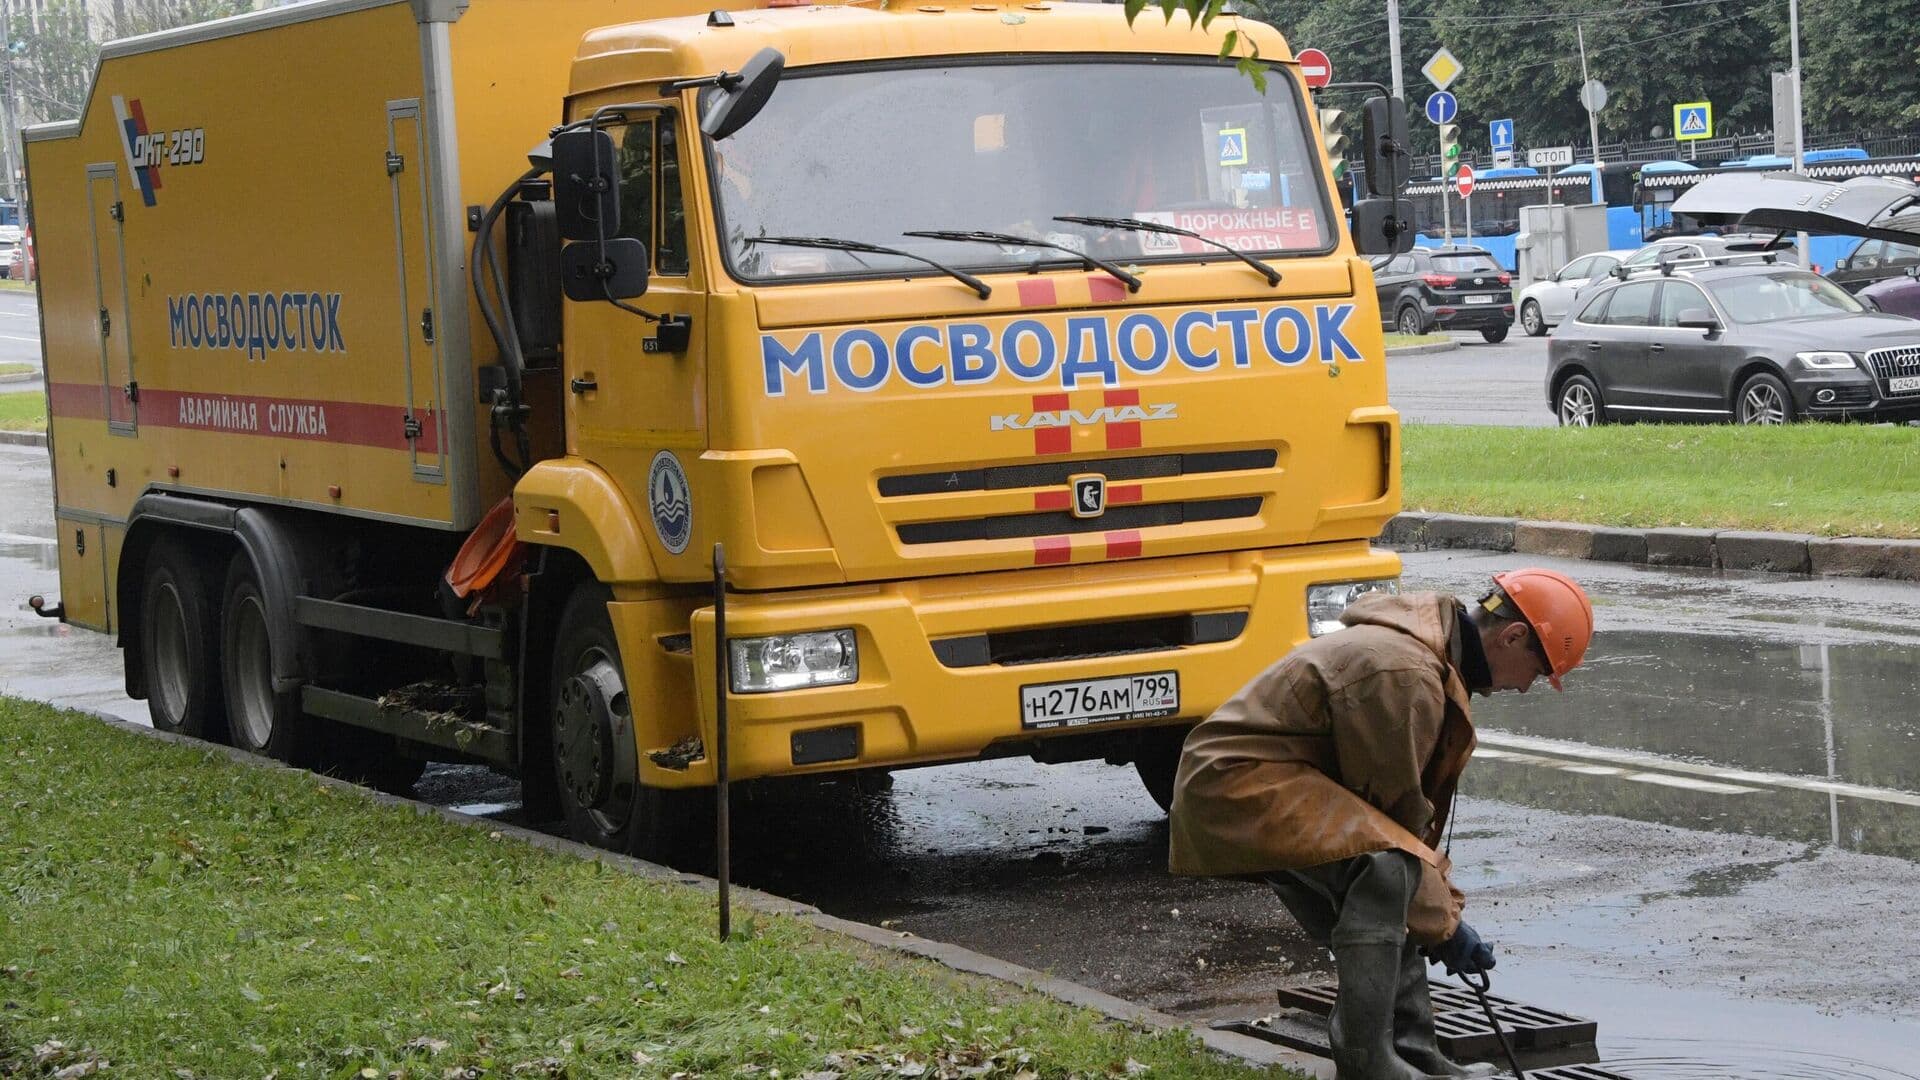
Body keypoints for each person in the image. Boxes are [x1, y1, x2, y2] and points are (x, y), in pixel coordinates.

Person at [1168, 569, 1593, 1079]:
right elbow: (1395, 823)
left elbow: (1404, 831)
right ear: (1512, 636)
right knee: (1389, 872)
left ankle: (1413, 1054)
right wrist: (1446, 925)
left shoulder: (1425, 660)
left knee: (1401, 880)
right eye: (1537, 670)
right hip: (1234, 786)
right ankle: (1368, 1062)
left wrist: (1440, 919)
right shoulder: (1405, 674)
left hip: (1267, 779)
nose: (1527, 688)